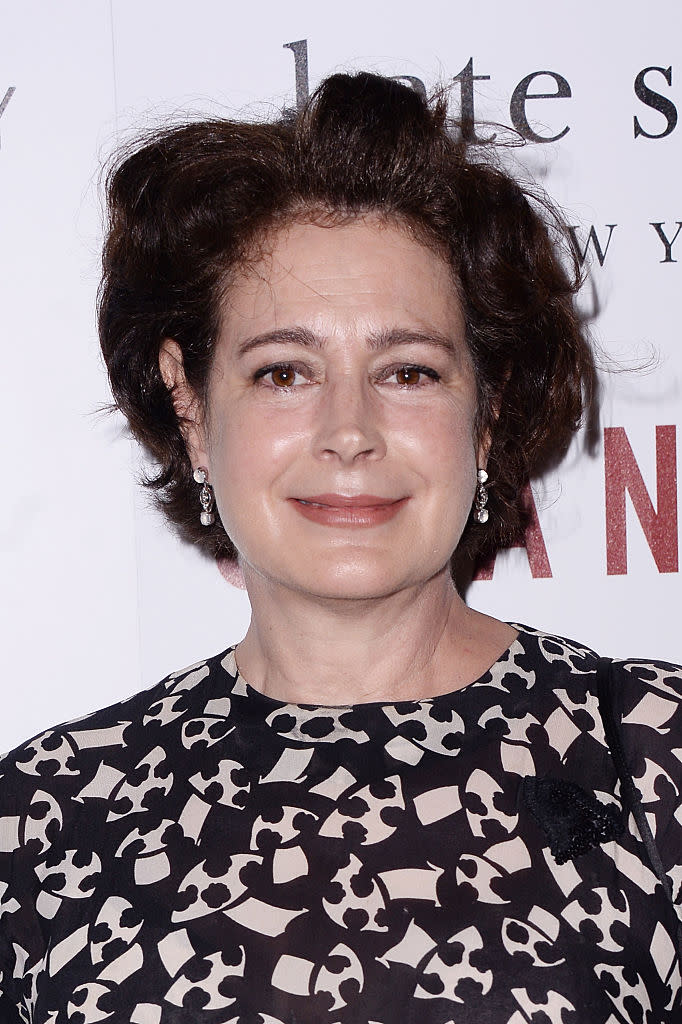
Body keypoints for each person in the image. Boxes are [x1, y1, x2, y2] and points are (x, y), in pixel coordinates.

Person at [0, 72, 680, 1024]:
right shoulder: (44, 818)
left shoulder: (650, 754)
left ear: (485, 412)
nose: (349, 430)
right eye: (283, 372)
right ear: (191, 405)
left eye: (409, 371)